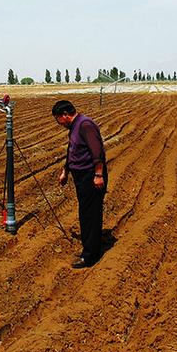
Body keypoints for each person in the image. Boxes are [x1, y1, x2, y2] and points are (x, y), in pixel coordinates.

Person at [52, 100, 108, 268]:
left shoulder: (85, 125)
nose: (59, 124)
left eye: (58, 119)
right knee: (85, 213)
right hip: (81, 177)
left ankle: (90, 256)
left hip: (91, 176)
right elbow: (73, 150)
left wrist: (98, 174)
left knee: (90, 215)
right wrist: (66, 171)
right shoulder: (75, 127)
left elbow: (97, 152)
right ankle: (89, 248)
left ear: (65, 115)